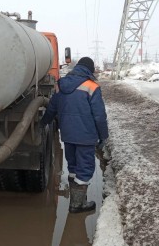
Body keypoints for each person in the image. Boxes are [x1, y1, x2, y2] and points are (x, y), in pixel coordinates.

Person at [41, 57, 109, 213]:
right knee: (85, 168)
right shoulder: (92, 86)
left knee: (73, 167)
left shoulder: (61, 85)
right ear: (89, 70)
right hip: (86, 136)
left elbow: (52, 108)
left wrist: (43, 122)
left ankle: (77, 196)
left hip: (68, 135)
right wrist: (103, 136)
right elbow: (99, 116)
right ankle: (77, 205)